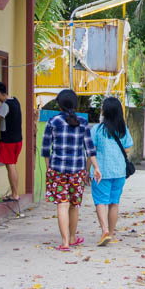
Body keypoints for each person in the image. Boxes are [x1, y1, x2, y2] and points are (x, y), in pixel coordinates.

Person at [42, 89, 101, 251]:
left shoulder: (53, 122)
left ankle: (65, 242)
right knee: (74, 205)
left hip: (57, 170)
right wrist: (96, 167)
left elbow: (46, 149)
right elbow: (89, 148)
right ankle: (73, 237)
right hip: (77, 170)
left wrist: (49, 169)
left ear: (59, 105)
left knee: (62, 204)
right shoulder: (82, 122)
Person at [90, 97, 133, 246]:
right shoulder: (123, 129)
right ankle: (112, 233)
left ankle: (104, 231)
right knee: (114, 202)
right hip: (119, 171)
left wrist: (86, 169)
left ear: (105, 111)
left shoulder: (97, 130)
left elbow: (91, 151)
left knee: (101, 201)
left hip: (101, 171)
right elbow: (127, 148)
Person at [0, 82, 22, 202]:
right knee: (12, 165)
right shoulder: (15, 101)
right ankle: (15, 192)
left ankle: (15, 194)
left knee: (10, 166)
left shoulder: (6, 105)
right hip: (18, 140)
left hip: (8, 141)